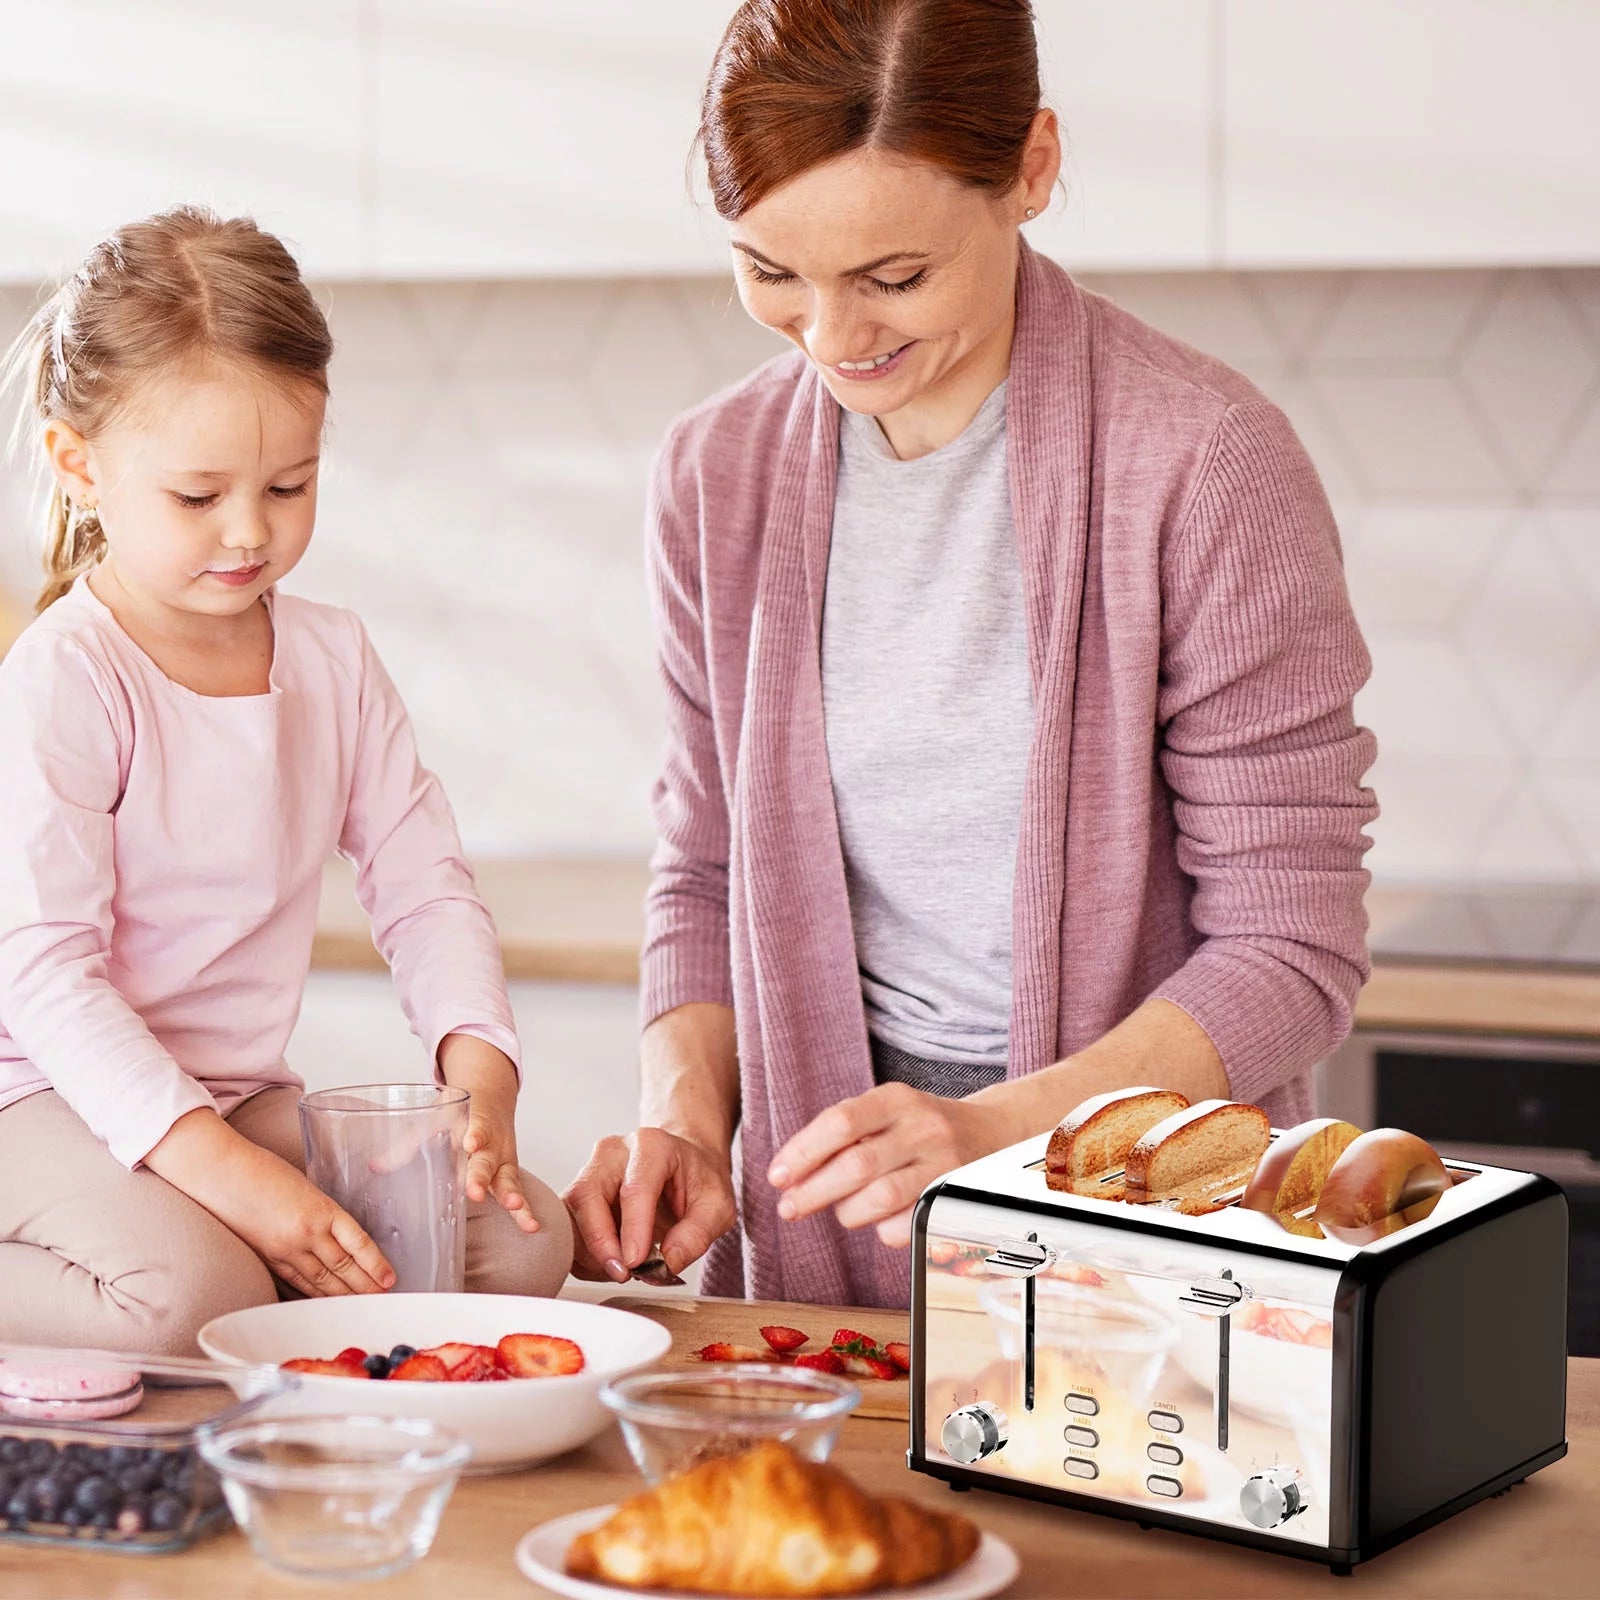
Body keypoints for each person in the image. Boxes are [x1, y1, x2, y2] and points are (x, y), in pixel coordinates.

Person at [564, 0, 1378, 1311]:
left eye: (894, 278)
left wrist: (1006, 1132)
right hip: (827, 1215)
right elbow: (708, 868)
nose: (833, 338)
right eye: (771, 271)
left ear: (1034, 169)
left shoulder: (1205, 461)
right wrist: (682, 1119)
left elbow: (1292, 946)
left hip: (1141, 1209)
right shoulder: (714, 475)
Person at [0, 207, 573, 1354]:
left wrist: (479, 1075)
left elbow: (425, 889)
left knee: (517, 1245)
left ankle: (230, 1260)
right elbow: (46, 978)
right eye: (198, 495)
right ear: (83, 466)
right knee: (195, 1300)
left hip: (223, 1093)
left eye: (289, 485)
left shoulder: (331, 658)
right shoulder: (67, 675)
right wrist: (238, 1186)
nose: (248, 533)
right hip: (40, 1099)